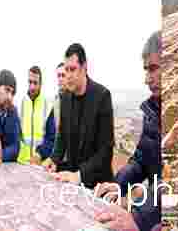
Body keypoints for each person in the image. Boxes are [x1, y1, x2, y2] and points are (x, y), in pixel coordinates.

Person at [96, 31, 162, 231]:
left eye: (153, 69)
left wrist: (139, 217)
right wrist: (118, 184)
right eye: (146, 70)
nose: (147, 79)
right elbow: (140, 161)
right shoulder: (154, 112)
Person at [46, 43, 114, 189]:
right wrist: (54, 158)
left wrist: (80, 175)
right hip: (73, 184)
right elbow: (62, 137)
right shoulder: (64, 98)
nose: (68, 75)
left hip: (99, 185)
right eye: (66, 69)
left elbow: (105, 150)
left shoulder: (102, 96)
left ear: (84, 68)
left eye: (72, 69)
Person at [17, 66, 56, 165]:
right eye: (30, 82)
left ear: (41, 84)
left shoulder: (49, 105)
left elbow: (51, 139)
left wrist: (40, 154)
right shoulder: (19, 104)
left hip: (41, 164)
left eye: (35, 83)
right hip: (21, 163)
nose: (32, 87)